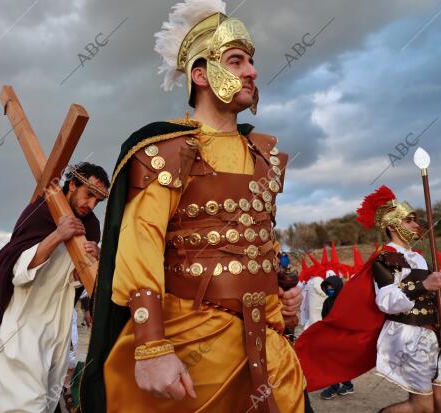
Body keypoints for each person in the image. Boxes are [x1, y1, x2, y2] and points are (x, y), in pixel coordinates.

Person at [80, 1, 305, 411]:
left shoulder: (265, 156)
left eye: (251, 61)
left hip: (267, 345)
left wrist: (282, 303)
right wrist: (151, 348)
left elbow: (259, 246)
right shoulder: (166, 150)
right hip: (190, 343)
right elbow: (140, 246)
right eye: (236, 61)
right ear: (200, 74)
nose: (252, 72)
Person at [0, 162, 109, 413]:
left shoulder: (91, 226)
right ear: (72, 184)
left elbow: (76, 281)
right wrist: (57, 235)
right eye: (89, 195)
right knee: (25, 405)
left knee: (44, 399)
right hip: (22, 325)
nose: (91, 205)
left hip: (57, 324)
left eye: (98, 200)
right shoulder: (40, 212)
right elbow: (15, 269)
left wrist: (93, 258)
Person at [295, 185, 441, 413]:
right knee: (422, 406)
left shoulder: (418, 257)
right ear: (392, 226)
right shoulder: (385, 258)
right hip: (410, 334)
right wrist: (424, 285)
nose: (417, 225)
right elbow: (386, 301)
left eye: (415, 220)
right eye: (409, 221)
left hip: (433, 332)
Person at [317, 275, 354, 400]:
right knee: (335, 362)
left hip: (342, 337)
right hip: (330, 337)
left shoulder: (345, 301)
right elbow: (324, 318)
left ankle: (334, 387)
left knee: (334, 363)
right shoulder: (327, 301)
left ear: (338, 287)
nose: (329, 290)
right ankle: (348, 385)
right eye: (327, 288)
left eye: (332, 287)